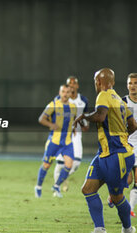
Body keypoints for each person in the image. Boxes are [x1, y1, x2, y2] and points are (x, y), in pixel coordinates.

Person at [74, 68, 137, 233]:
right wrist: (122, 136)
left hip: (116, 156)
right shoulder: (121, 101)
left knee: (116, 197)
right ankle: (99, 229)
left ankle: (128, 228)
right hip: (105, 153)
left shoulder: (103, 94)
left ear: (98, 82)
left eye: (96, 81)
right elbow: (133, 125)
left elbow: (100, 116)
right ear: (113, 82)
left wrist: (84, 116)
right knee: (88, 189)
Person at [35, 84, 77, 198]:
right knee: (46, 165)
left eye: (67, 92)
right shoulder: (53, 105)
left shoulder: (73, 107)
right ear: (60, 92)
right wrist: (51, 125)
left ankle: (56, 186)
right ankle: (38, 187)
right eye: (63, 91)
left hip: (67, 142)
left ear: (70, 94)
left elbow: (72, 121)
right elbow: (41, 119)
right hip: (54, 141)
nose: (65, 94)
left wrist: (73, 129)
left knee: (69, 164)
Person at [54, 76, 89, 192]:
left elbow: (86, 119)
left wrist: (85, 124)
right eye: (69, 84)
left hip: (76, 135)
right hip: (63, 135)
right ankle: (56, 188)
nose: (72, 86)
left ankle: (63, 179)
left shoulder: (83, 100)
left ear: (77, 86)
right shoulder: (60, 99)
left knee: (76, 163)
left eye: (74, 84)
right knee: (60, 163)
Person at [122, 73, 137, 217]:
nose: (132, 86)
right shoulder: (123, 102)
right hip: (127, 145)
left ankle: (130, 209)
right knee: (127, 179)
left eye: (135, 83)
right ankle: (113, 195)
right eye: (130, 83)